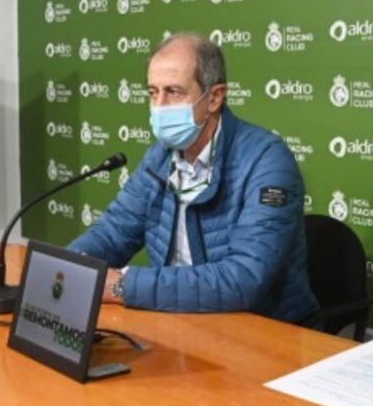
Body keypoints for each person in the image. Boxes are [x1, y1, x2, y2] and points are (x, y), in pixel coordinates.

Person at [68, 32, 318, 323]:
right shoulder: (160, 156)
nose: (159, 106)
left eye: (173, 92)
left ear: (213, 97)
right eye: (152, 92)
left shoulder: (267, 160)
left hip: (263, 330)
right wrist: (71, 265)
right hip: (181, 318)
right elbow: (114, 232)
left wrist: (124, 286)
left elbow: (244, 278)